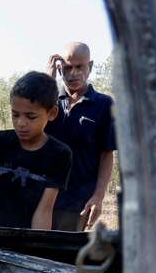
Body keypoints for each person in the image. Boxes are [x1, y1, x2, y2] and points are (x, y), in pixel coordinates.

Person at [0, 72, 72, 229]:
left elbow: (44, 210)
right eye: (15, 114)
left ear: (52, 113)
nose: (21, 123)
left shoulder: (60, 154)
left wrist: (34, 247)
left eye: (31, 116)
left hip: (24, 239)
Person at [45, 42, 117, 231]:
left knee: (64, 257)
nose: (73, 73)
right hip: (40, 199)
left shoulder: (104, 105)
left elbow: (106, 154)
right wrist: (47, 82)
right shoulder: (47, 102)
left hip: (77, 204)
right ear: (59, 68)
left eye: (79, 67)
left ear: (90, 67)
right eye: (67, 67)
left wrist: (98, 195)